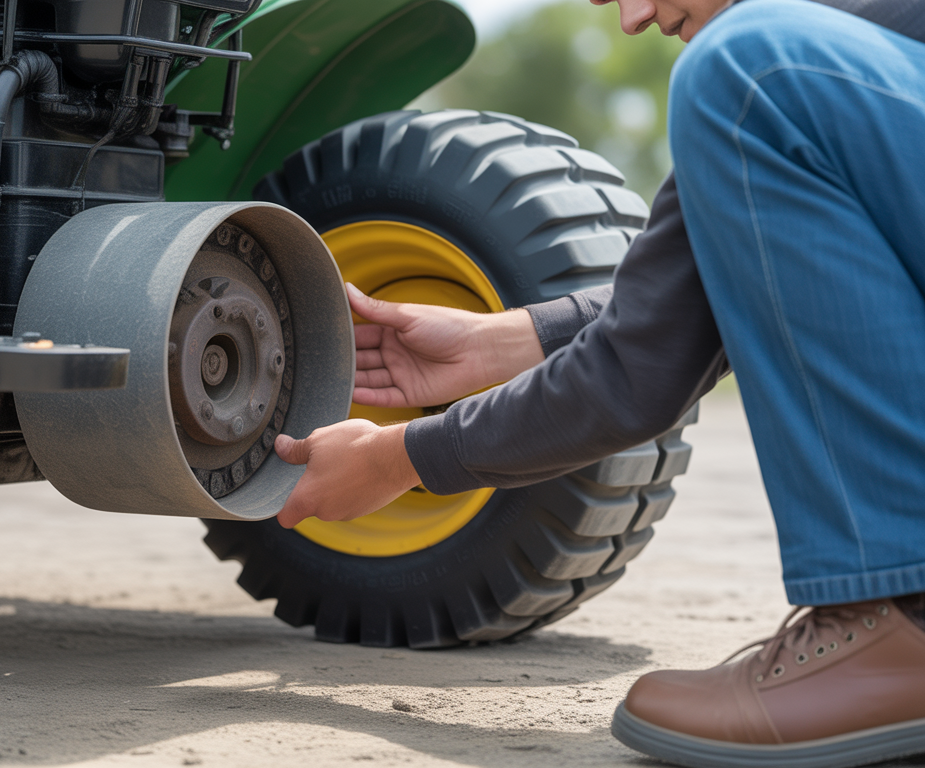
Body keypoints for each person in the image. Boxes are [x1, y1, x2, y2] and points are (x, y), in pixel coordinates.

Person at [270, 0, 925, 765]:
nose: (633, 19)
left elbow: (633, 373)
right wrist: (510, 338)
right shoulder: (842, 54)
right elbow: (687, 303)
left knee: (749, 66)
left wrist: (396, 461)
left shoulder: (769, 63)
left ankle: (899, 615)